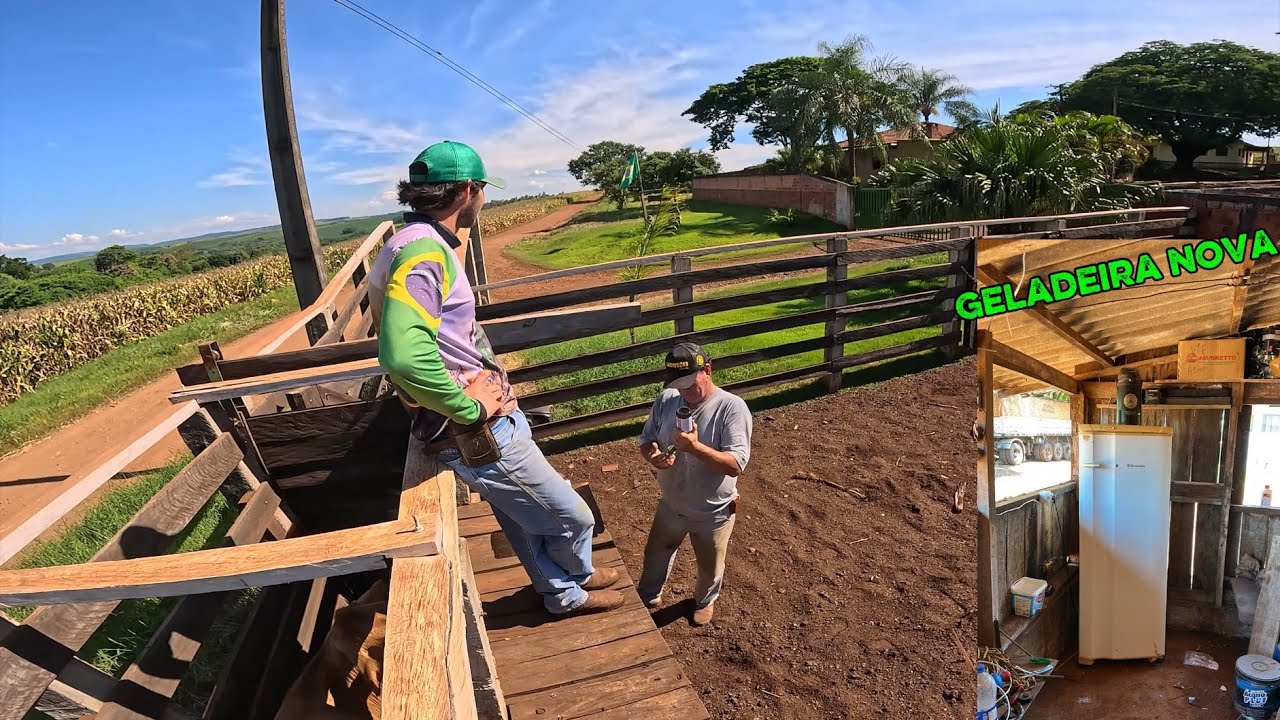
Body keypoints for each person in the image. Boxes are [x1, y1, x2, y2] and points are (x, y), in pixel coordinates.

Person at [369, 140, 624, 617]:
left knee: (520, 515)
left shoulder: (408, 243)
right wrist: (470, 408)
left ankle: (565, 592)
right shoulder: (424, 254)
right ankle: (577, 575)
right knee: (572, 517)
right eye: (483, 189)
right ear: (468, 191)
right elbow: (403, 356)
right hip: (476, 429)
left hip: (481, 420)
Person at [636, 342, 753, 626]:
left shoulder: (731, 408)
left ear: (708, 370)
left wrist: (694, 448)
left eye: (689, 383)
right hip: (671, 504)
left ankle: (704, 600)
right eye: (678, 384)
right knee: (656, 553)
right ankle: (649, 593)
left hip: (712, 511)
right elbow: (647, 440)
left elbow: (736, 465)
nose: (684, 391)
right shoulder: (667, 398)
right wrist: (653, 457)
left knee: (710, 566)